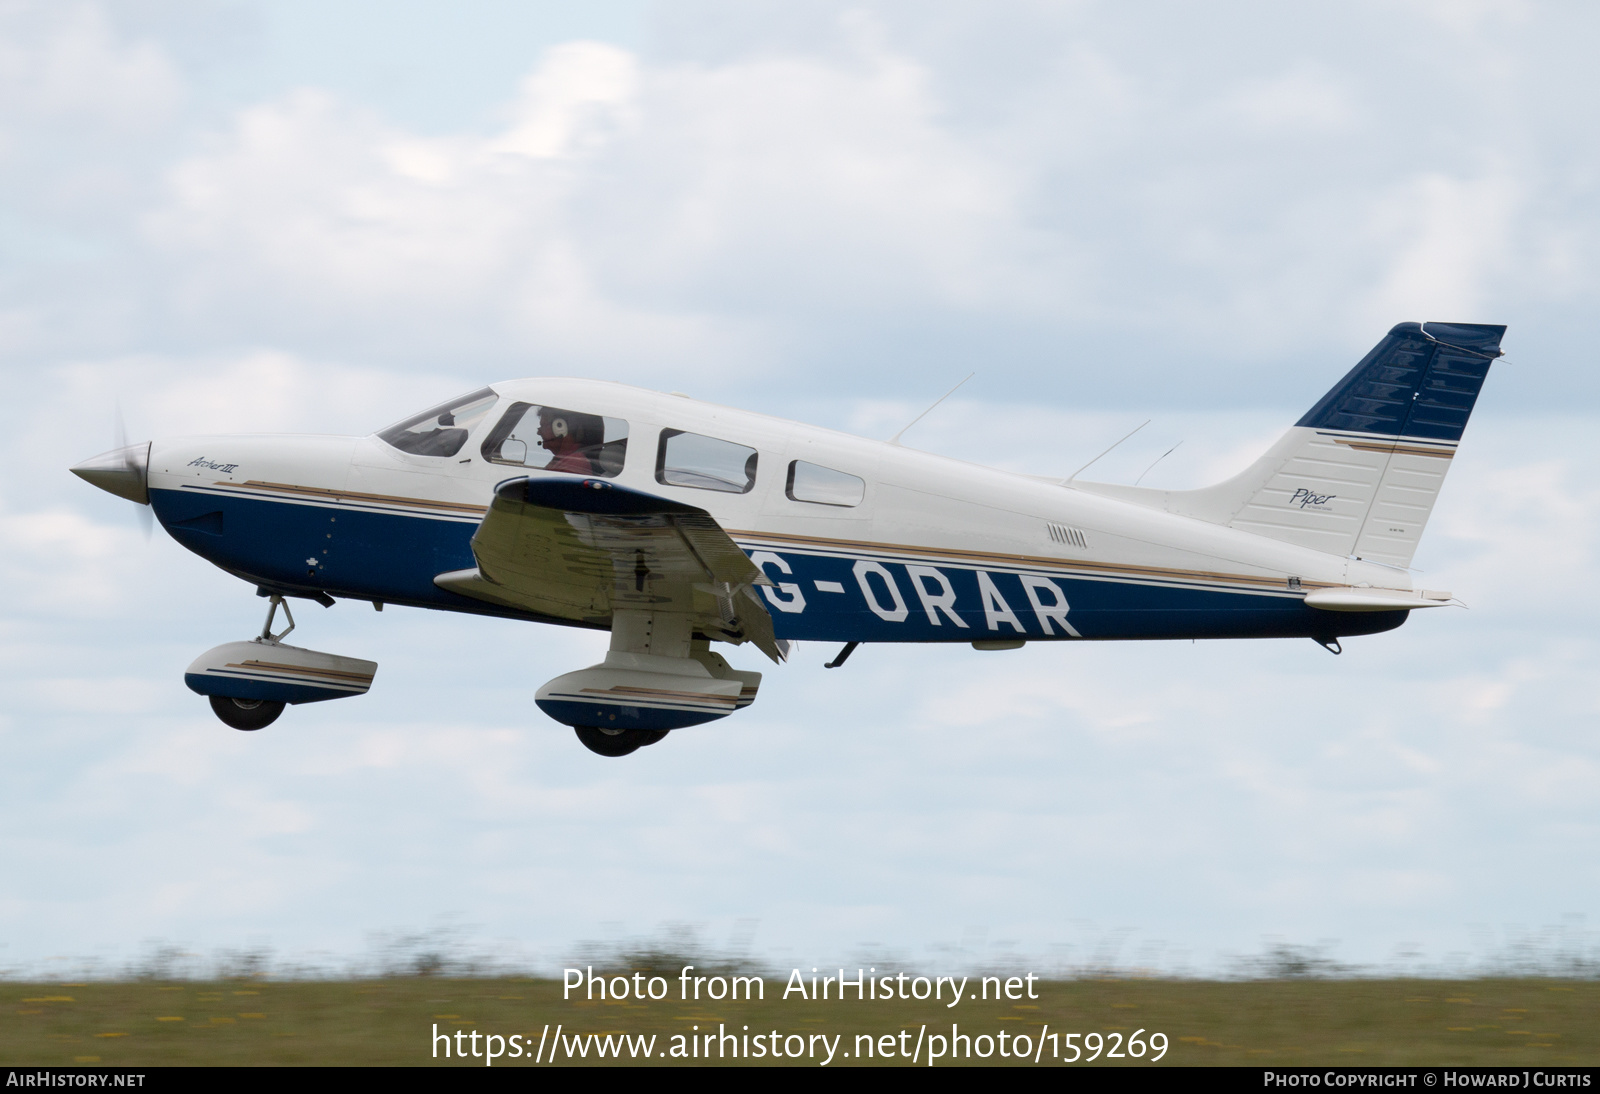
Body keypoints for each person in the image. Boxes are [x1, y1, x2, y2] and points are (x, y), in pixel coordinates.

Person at [536, 407, 604, 474]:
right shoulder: (564, 461)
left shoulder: (574, 464)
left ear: (560, 427)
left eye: (543, 425)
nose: (538, 432)